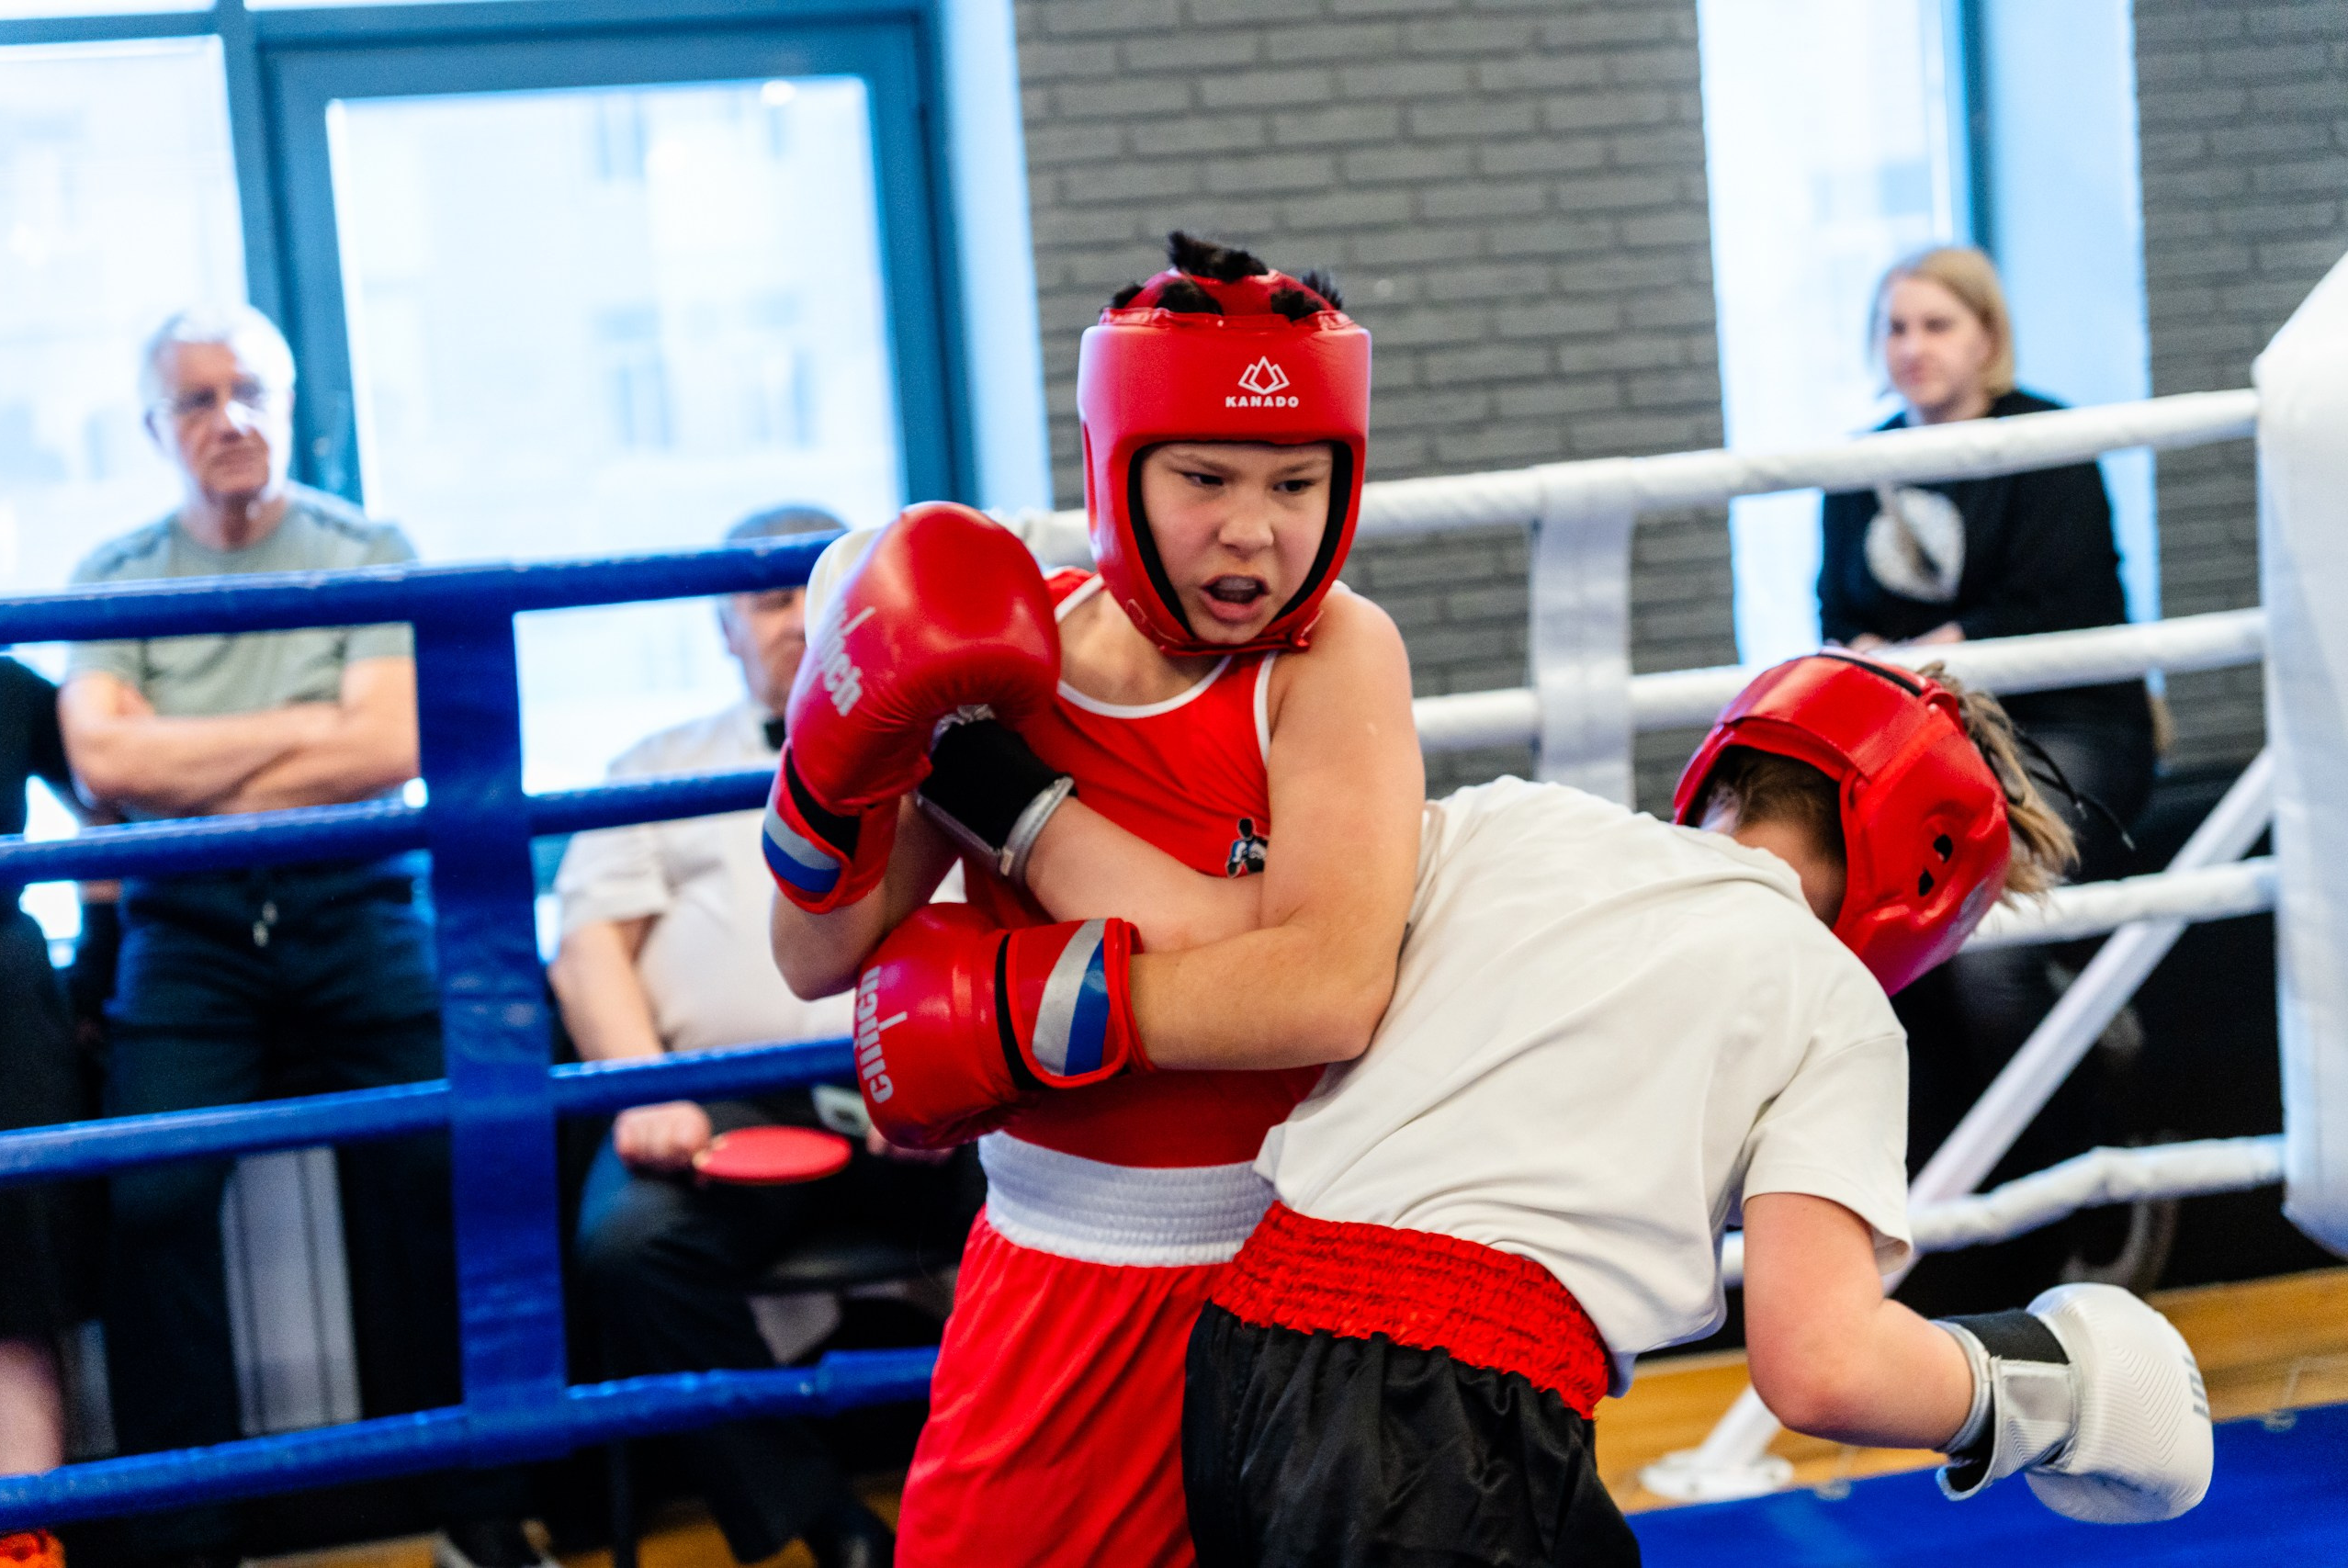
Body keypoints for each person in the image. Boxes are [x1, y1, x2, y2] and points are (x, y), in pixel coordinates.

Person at [1178, 656, 2211, 1566]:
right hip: (1445, 1415)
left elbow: (1278, 931)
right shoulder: (1828, 996)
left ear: (1724, 771)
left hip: (1237, 1357)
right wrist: (2055, 1394)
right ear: (1928, 875)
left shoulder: (1511, 818)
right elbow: (1821, 1367)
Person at [769, 233, 1424, 1567]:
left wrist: (1026, 967)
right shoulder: (1015, 656)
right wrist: (834, 765)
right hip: (1050, 1265)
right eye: (1205, 476)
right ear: (1113, 467)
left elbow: (1328, 989)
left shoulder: (1335, 654)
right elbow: (816, 955)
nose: (1256, 525)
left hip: (1281, 1273)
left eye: (1298, 480)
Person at [55, 305, 541, 1568]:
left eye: (252, 392)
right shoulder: (113, 576)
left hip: (359, 900)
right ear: (158, 427)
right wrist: (301, 734)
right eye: (201, 401)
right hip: (188, 926)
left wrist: (186, 772)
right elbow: (100, 760)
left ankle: (476, 1507)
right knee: (151, 1199)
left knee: (443, 1173)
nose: (233, 422)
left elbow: (389, 742)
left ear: (287, 399)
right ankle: (186, 1539)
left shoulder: (366, 549)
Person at [555, 504, 975, 1568]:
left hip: (913, 1091)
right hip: (720, 1104)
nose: (797, 620)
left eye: (821, 592)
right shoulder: (653, 764)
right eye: (769, 597)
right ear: (723, 627)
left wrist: (954, 1076)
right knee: (626, 1250)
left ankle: (1012, 1512)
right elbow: (590, 946)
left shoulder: (954, 758)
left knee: (1055, 1209)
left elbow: (1000, 922)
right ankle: (825, 1523)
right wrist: (646, 1090)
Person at [1817, 247, 2160, 1300]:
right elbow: (1836, 621)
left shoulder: (2047, 438)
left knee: (1985, 952)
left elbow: (2072, 607)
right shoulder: (1860, 463)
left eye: (1936, 326)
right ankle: (1943, 1213)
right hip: (1928, 741)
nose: (1913, 348)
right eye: (1896, 328)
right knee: (1864, 941)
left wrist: (1943, 647)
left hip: (2064, 729)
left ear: (1985, 336)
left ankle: (2067, 1204)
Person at [0, 657, 100, 1568]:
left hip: (1, 993)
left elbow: (110, 799)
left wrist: (105, 964)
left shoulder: (7, 681)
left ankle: (23, 1542)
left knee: (16, 1285)